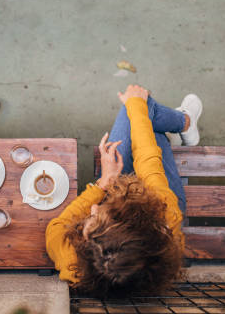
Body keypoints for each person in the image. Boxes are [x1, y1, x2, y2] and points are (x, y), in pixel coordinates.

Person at [46, 84, 202, 296]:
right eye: (100, 215)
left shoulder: (76, 264)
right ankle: (185, 122)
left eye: (89, 224)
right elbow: (149, 164)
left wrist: (106, 181)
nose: (92, 208)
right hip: (157, 198)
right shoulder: (164, 216)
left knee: (141, 118)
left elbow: (55, 229)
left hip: (123, 198)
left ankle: (163, 135)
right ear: (130, 216)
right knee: (140, 107)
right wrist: (137, 102)